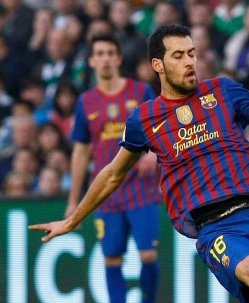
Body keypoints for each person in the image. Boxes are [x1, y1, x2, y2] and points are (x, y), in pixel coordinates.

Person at [30, 25, 249, 303]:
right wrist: (73, 219)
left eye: (191, 53)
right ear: (158, 65)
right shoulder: (145, 118)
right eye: (178, 56)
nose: (189, 62)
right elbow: (112, 174)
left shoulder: (224, 91)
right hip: (218, 226)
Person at [63, 34, 162, 303]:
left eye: (110, 53)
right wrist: (74, 201)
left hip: (141, 187)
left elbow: (162, 128)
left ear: (118, 58)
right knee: (112, 258)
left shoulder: (141, 92)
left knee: (148, 255)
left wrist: (153, 151)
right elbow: (81, 152)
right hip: (107, 192)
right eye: (100, 54)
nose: (105, 58)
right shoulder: (86, 102)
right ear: (92, 61)